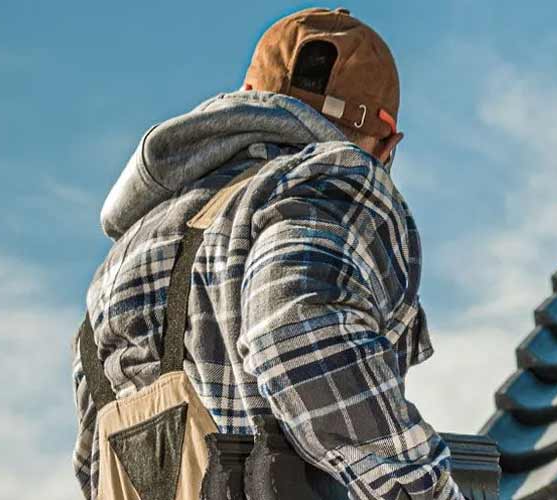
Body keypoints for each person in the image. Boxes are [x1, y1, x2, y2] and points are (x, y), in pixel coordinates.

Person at [74, 7, 462, 499]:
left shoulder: (118, 264)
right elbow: (297, 334)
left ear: (245, 102)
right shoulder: (330, 182)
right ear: (386, 143)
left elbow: (91, 468)